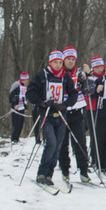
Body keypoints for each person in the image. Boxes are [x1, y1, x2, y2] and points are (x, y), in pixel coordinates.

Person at [26, 50, 77, 186]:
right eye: (55, 62)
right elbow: (30, 93)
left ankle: (49, 175)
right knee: (51, 144)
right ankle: (41, 172)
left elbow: (73, 94)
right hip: (46, 115)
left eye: (60, 62)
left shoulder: (65, 77)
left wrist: (64, 105)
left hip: (60, 116)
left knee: (58, 147)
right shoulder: (42, 75)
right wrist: (42, 102)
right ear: (50, 62)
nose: (58, 65)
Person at [57, 47, 93, 183]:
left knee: (80, 142)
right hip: (63, 111)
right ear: (63, 60)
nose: (70, 62)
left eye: (73, 59)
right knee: (63, 143)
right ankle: (65, 170)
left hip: (77, 111)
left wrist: (88, 75)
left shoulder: (80, 73)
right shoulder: (59, 73)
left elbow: (89, 88)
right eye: (68, 59)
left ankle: (84, 171)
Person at [8, 71, 30, 143]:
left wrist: (25, 108)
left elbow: (24, 98)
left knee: (21, 123)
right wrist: (14, 104)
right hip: (16, 108)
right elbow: (12, 95)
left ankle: (17, 138)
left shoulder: (24, 87)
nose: (27, 81)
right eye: (26, 80)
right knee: (16, 123)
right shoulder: (16, 84)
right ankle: (13, 138)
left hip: (21, 108)